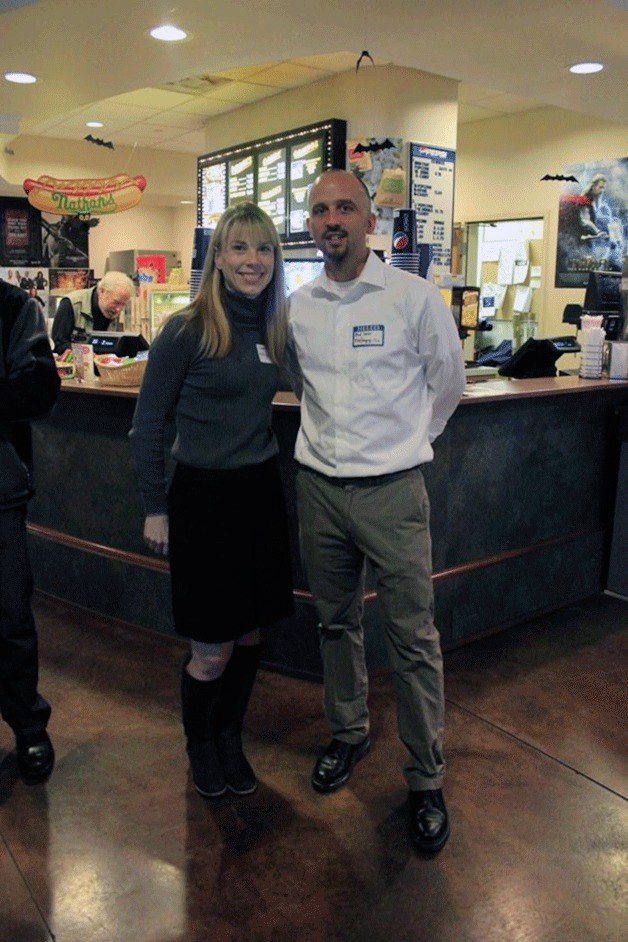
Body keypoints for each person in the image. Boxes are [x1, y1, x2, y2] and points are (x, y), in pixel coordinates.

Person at [286, 169, 465, 853]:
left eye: (345, 207)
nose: (332, 218)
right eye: (320, 208)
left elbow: (445, 387)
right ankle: (349, 734)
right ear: (312, 223)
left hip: (393, 492)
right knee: (335, 624)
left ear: (369, 220)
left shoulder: (414, 299)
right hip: (321, 491)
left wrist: (406, 445)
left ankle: (425, 778)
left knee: (413, 638)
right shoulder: (299, 307)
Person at [130, 202, 293, 799]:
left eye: (264, 249)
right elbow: (147, 425)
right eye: (241, 248)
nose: (254, 261)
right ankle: (200, 745)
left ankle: (230, 738)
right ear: (218, 257)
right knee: (212, 647)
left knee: (250, 636)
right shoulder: (187, 328)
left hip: (258, 495)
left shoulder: (273, 330)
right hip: (203, 499)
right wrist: (155, 504)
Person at [0, 277, 60, 783]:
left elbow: (41, 387)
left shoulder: (14, 306)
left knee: (11, 617)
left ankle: (27, 726)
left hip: (0, 491)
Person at [51, 270, 133, 354]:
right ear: (101, 291)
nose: (119, 309)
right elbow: (58, 345)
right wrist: (87, 354)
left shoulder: (115, 311)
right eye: (116, 302)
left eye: (123, 305)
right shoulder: (71, 304)